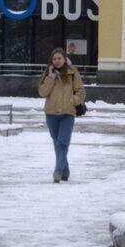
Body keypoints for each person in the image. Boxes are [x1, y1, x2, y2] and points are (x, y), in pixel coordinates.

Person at [39, 48, 86, 183]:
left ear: (65, 59)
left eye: (59, 58)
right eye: (54, 59)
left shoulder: (72, 73)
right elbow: (43, 92)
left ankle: (58, 171)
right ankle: (65, 171)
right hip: (51, 113)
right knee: (57, 142)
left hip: (67, 113)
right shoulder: (48, 74)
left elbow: (81, 92)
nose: (57, 61)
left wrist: (72, 102)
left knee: (63, 142)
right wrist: (51, 77)